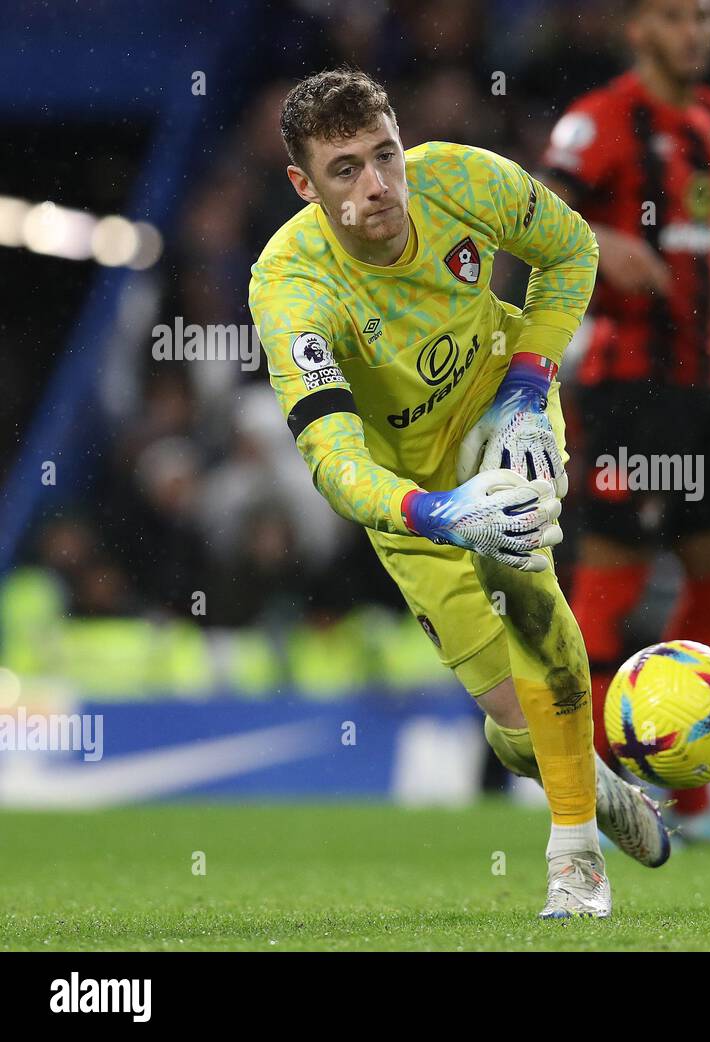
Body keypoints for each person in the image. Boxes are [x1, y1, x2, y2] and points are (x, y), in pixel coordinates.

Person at [247, 68, 671, 920]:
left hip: (498, 413)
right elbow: (334, 460)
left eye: (385, 155)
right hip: (406, 493)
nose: (378, 186)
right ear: (304, 184)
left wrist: (529, 378)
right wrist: (432, 512)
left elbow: (570, 250)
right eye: (345, 171)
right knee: (517, 736)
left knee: (526, 581)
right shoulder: (291, 287)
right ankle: (583, 780)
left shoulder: (461, 180)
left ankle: (575, 862)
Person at [540, 0, 710, 848]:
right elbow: (528, 215)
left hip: (702, 386)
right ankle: (594, 786)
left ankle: (684, 793)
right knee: (609, 582)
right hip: (627, 387)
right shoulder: (596, 123)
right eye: (677, 17)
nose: (697, 33)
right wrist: (600, 239)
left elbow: (703, 251)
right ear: (638, 27)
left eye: (707, 18)